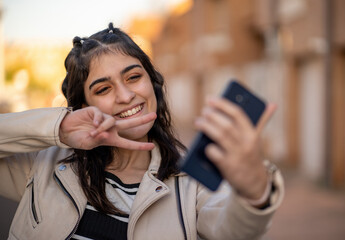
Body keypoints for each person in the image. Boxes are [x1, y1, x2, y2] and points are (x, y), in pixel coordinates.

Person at [0, 23, 284, 240]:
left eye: (133, 77)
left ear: (153, 84)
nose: (125, 96)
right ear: (83, 105)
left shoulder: (191, 183)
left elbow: (232, 230)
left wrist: (253, 193)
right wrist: (58, 127)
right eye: (103, 88)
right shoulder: (42, 166)